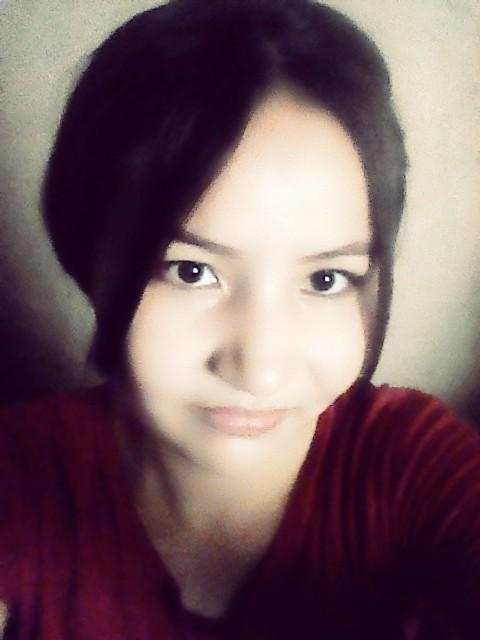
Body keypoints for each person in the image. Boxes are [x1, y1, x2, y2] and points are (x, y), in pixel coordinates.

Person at [0, 0, 479, 638]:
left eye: (326, 279)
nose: (260, 368)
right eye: (191, 270)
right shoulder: (21, 475)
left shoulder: (408, 466)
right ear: (88, 254)